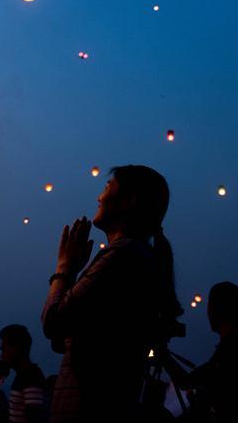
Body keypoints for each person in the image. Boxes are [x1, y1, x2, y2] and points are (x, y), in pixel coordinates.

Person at [42, 165, 183, 423]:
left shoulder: (122, 256)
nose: (99, 197)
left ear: (130, 201)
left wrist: (64, 268)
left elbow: (53, 322)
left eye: (107, 187)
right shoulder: (136, 256)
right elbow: (64, 339)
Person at [187, 281, 238, 422]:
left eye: (210, 306)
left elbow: (190, 380)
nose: (208, 312)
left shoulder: (237, 343)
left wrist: (163, 356)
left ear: (220, 309)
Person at [0, 324, 48, 423]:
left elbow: (36, 418)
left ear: (16, 348)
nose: (1, 355)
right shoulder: (23, 376)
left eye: (4, 349)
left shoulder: (31, 377)